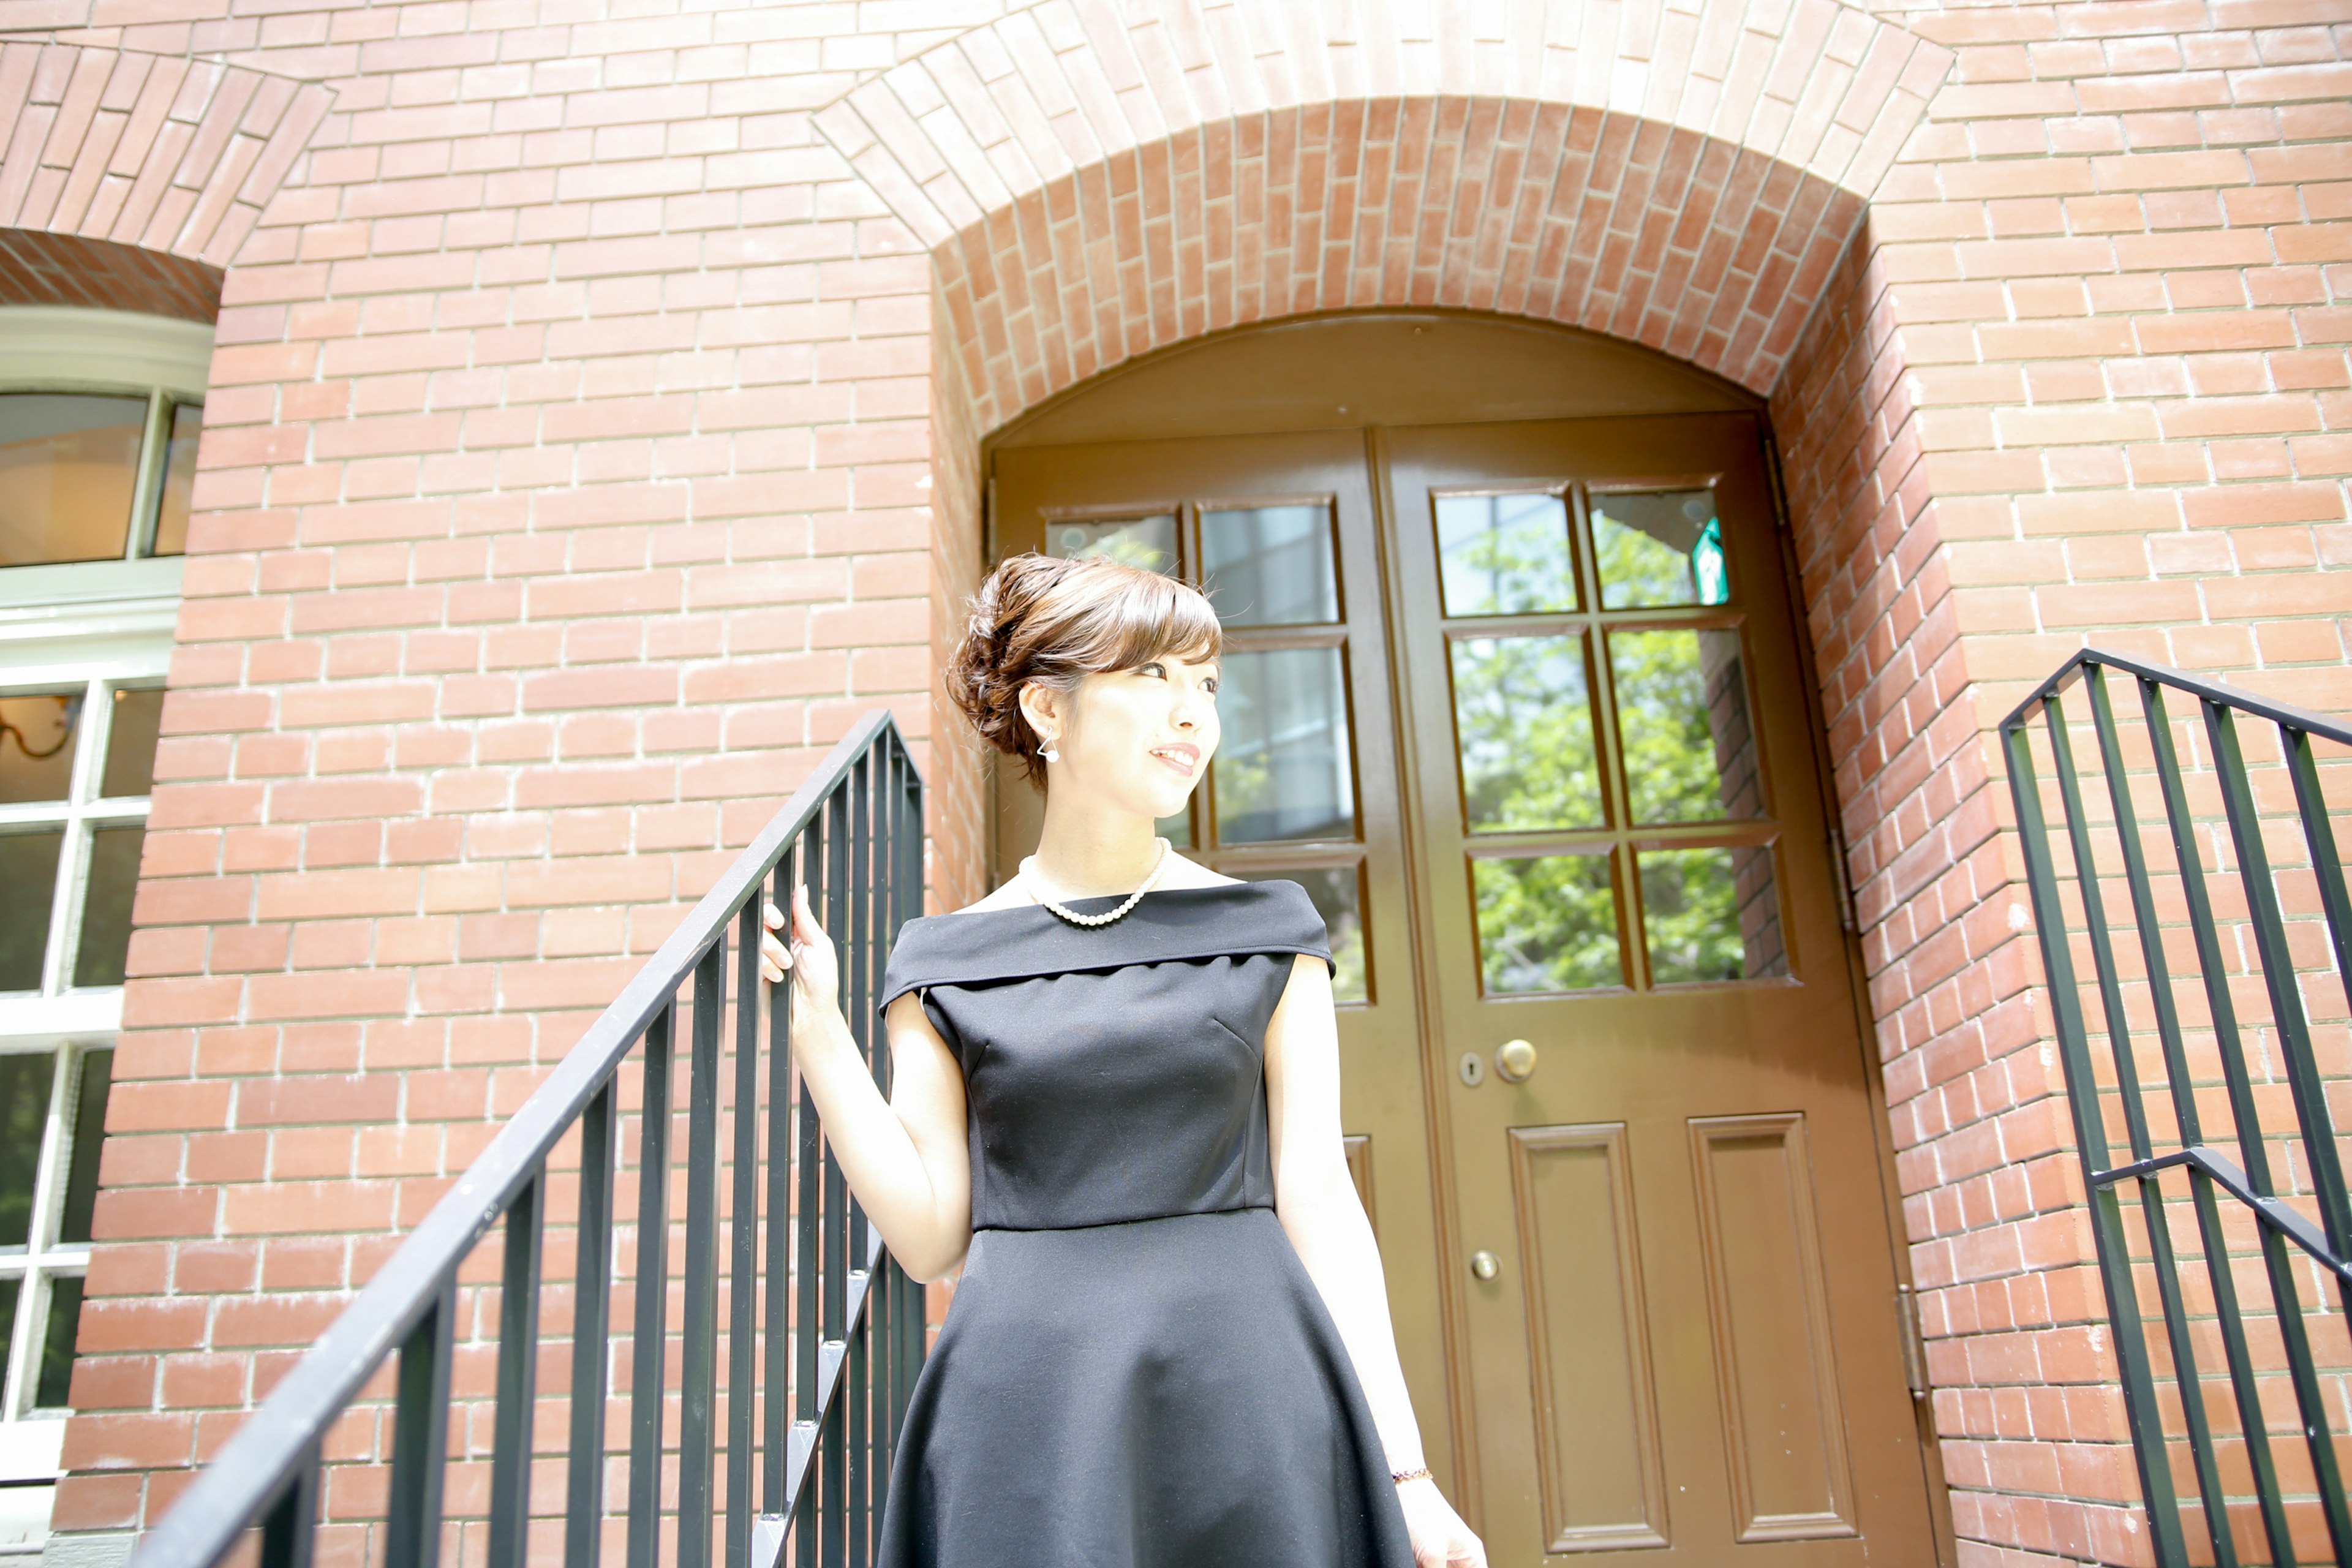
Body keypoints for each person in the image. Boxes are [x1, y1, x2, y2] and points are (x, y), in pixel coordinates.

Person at [760, 552, 1487, 1568]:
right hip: (1028, 1416)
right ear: (1048, 712)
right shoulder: (944, 961)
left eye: (1207, 685)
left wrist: (1406, 1476)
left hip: (1252, 1396)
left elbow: (1320, 1201)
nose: (1195, 715)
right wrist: (820, 1035)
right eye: (1154, 677)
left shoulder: (1268, 932)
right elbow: (931, 1240)